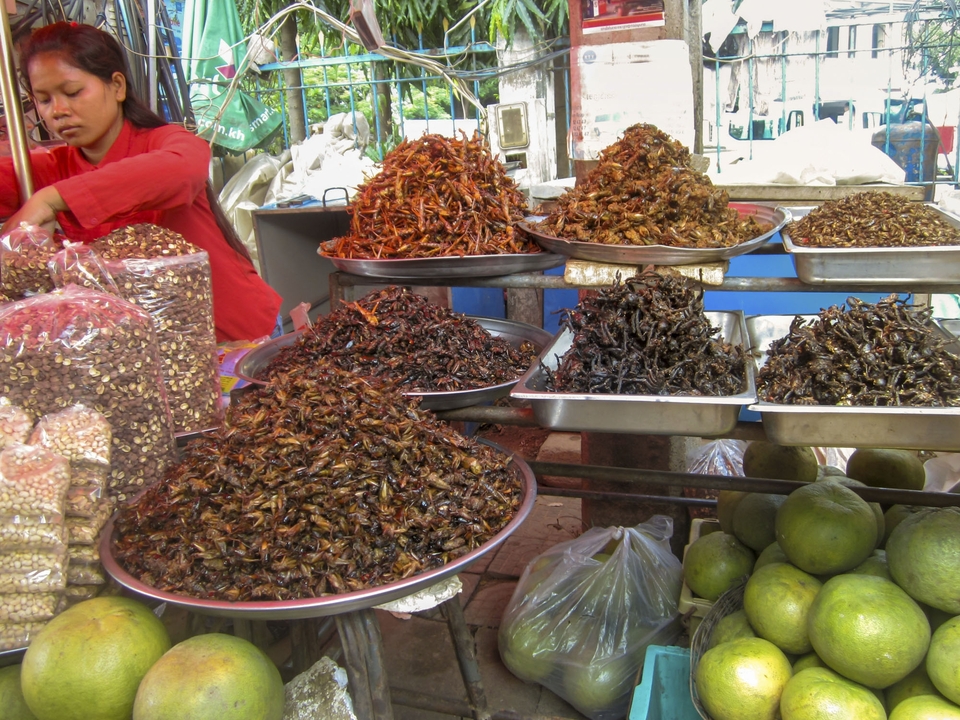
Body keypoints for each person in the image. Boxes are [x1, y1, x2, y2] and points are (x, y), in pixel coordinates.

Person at [0, 21, 283, 343]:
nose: (58, 111)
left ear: (117, 86)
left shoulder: (167, 143)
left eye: (73, 92)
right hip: (149, 349)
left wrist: (50, 199)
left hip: (232, 336)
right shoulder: (48, 167)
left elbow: (182, 170)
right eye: (44, 100)